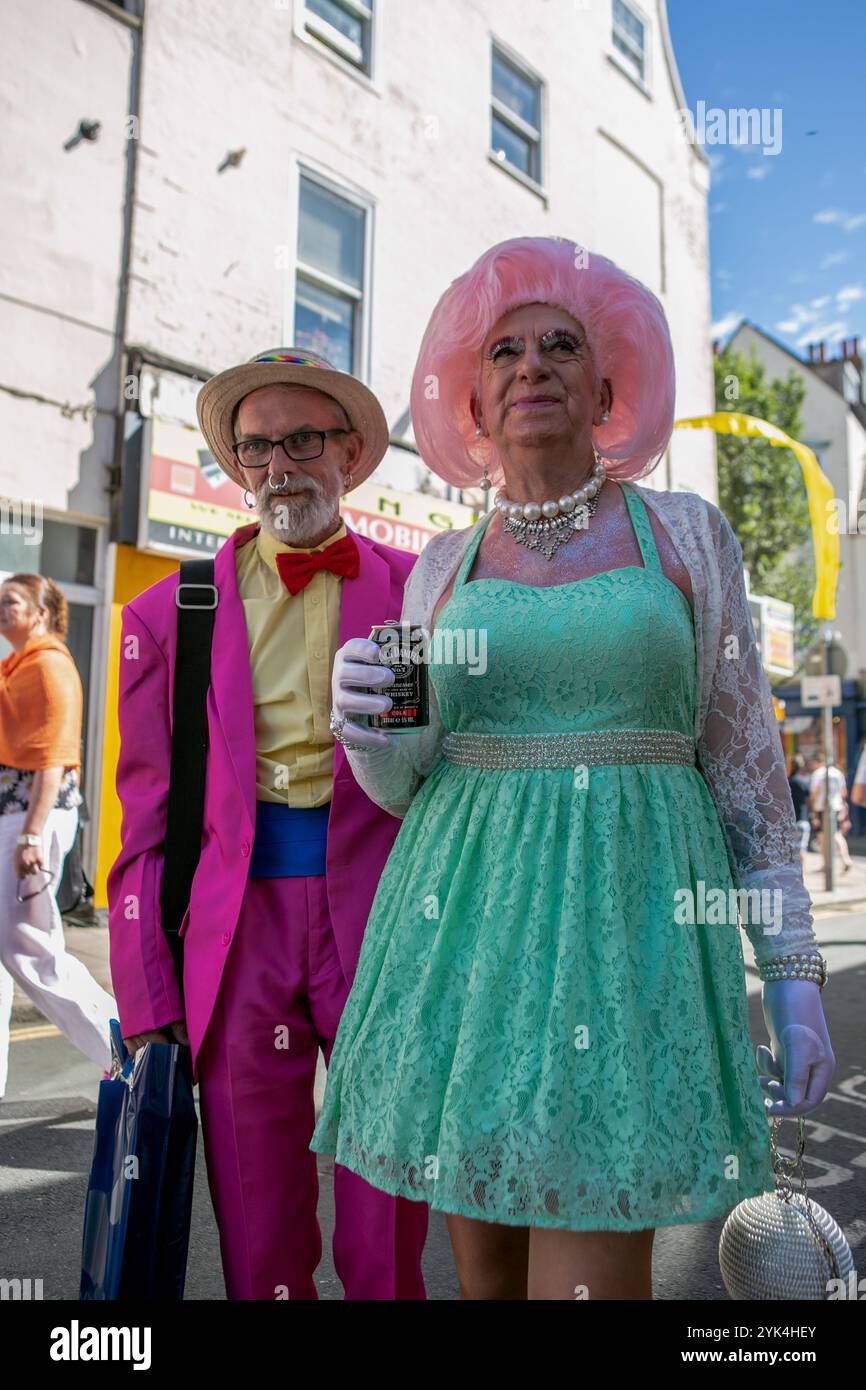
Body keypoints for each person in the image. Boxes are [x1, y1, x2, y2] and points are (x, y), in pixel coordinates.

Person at [311, 237, 834, 1301]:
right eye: (502, 351)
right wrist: (366, 732)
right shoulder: (443, 569)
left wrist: (792, 977)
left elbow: (744, 773)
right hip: (462, 947)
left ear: (606, 390)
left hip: (628, 943)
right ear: (472, 401)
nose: (529, 364)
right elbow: (406, 785)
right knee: (485, 1281)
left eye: (560, 346)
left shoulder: (685, 535)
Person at [107, 348, 428, 1300]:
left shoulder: (422, 591)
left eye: (303, 439)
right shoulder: (172, 614)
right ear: (237, 466)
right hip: (236, 932)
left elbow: (443, 778)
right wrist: (149, 1000)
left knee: (387, 1226)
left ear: (353, 452)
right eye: (256, 448)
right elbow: (143, 829)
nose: (279, 466)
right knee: (258, 1228)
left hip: (385, 926)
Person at [0, 574, 114, 1099]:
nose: (1, 609)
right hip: (18, 820)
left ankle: (126, 1053)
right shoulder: (17, 665)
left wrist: (30, 837)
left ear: (41, 613)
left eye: (12, 601)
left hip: (29, 823)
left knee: (34, 954)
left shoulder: (48, 666)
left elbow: (52, 758)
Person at [809, 755, 852, 873]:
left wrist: (812, 808)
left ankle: (826, 864)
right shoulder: (838, 773)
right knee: (837, 833)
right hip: (837, 806)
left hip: (821, 807)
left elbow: (815, 792)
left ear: (818, 762)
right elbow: (844, 792)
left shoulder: (818, 773)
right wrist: (844, 806)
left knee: (823, 836)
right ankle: (845, 859)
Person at [788, 753, 813, 868]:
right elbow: (810, 800)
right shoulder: (803, 783)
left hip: (790, 821)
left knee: (793, 850)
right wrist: (813, 815)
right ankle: (802, 871)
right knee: (802, 848)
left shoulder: (787, 782)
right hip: (802, 819)